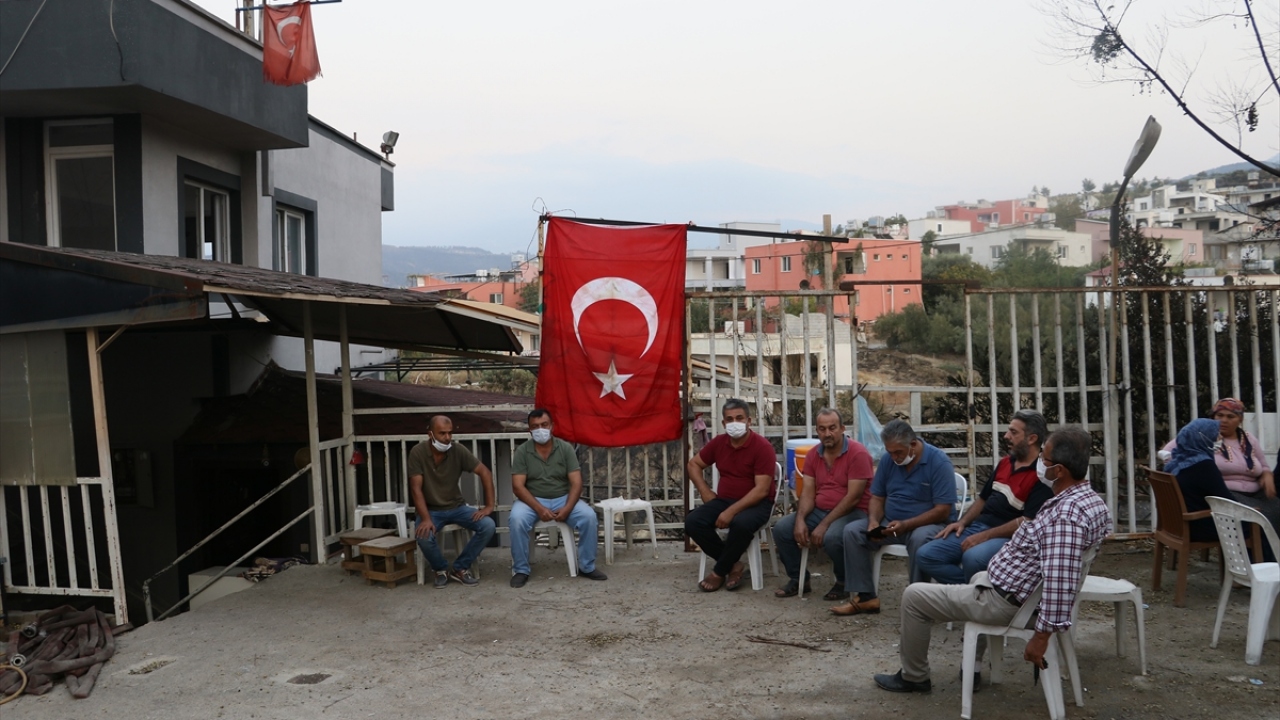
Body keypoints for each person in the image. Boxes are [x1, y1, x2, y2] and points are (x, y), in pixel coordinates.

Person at [872, 426, 1113, 694]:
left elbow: (1060, 579)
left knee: (914, 596)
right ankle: (972, 664)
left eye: (1043, 460)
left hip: (1008, 602)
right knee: (974, 573)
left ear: (1059, 471)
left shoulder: (1067, 515)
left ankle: (913, 677)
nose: (1039, 466)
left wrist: (1041, 637)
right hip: (1010, 588)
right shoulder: (1088, 501)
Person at [831, 420, 957, 616]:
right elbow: (877, 497)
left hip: (929, 524)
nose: (894, 457)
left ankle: (919, 601)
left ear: (913, 445)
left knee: (920, 539)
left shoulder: (938, 462)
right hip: (891, 523)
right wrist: (873, 522)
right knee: (853, 531)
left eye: (898, 452)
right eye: (890, 452)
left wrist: (907, 525)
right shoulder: (889, 460)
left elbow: (943, 510)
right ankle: (866, 597)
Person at [915, 410, 1051, 585]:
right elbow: (983, 499)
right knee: (926, 555)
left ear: (1032, 439)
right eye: (1008, 430)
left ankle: (976, 599)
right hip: (979, 527)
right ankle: (972, 593)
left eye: (1014, 432)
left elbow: (1027, 521)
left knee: (973, 558)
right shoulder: (1005, 463)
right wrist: (962, 522)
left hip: (1009, 538)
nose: (1006, 436)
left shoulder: (1041, 475)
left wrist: (984, 536)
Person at [772, 408, 873, 599]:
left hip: (854, 511)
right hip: (820, 510)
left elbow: (853, 498)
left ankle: (843, 582)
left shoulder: (858, 453)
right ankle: (799, 579)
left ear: (842, 428)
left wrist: (824, 525)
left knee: (833, 537)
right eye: (822, 429)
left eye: (832, 428)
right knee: (782, 529)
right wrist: (800, 519)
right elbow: (808, 492)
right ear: (817, 431)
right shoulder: (813, 455)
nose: (827, 433)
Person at [508, 409, 607, 588]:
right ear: (529, 430)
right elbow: (518, 486)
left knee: (589, 517)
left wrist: (568, 508)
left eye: (544, 425)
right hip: (532, 500)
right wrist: (539, 508)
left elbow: (577, 483)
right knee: (516, 519)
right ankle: (521, 569)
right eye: (535, 426)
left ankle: (586, 566)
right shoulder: (522, 451)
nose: (540, 429)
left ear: (552, 426)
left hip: (563, 498)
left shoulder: (565, 448)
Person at [686, 398, 777, 592]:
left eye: (739, 418)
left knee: (741, 523)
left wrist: (731, 512)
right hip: (724, 500)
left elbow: (761, 490)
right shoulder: (719, 443)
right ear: (723, 423)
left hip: (757, 503)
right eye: (729, 419)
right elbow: (693, 464)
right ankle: (733, 565)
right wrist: (705, 490)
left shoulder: (762, 447)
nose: (734, 423)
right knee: (693, 521)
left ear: (749, 421)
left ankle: (719, 572)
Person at [408, 415, 497, 587]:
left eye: (450, 433)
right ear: (430, 434)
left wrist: (489, 506)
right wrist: (425, 518)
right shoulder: (417, 452)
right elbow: (415, 488)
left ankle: (460, 568)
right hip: (431, 509)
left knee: (488, 526)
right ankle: (440, 569)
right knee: (424, 536)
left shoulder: (457, 450)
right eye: (442, 433)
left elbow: (485, 473)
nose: (447, 438)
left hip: (457, 506)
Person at [1163, 418, 1234, 542]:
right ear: (1203, 439)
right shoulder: (1203, 465)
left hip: (1178, 526)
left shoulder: (1176, 462)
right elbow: (1227, 501)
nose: (1218, 440)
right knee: (1256, 525)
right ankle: (1260, 561)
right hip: (1199, 526)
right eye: (1215, 436)